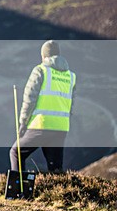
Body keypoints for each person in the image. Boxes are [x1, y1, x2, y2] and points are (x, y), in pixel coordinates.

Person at [10, 40, 76, 173]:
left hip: (41, 125)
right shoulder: (71, 76)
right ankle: (61, 193)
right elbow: (70, 104)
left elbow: (29, 99)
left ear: (44, 56)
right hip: (61, 127)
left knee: (16, 152)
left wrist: (23, 122)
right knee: (55, 168)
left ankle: (19, 191)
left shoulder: (40, 70)